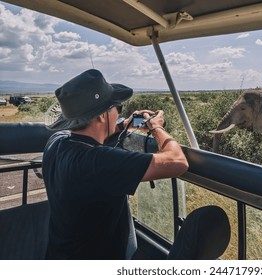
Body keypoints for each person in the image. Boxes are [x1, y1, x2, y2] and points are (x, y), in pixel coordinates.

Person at [42, 69, 230, 260]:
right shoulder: (99, 162)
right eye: (118, 108)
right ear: (101, 116)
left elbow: (94, 134)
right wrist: (156, 127)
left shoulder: (57, 143)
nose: (119, 114)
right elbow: (177, 162)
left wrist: (127, 124)